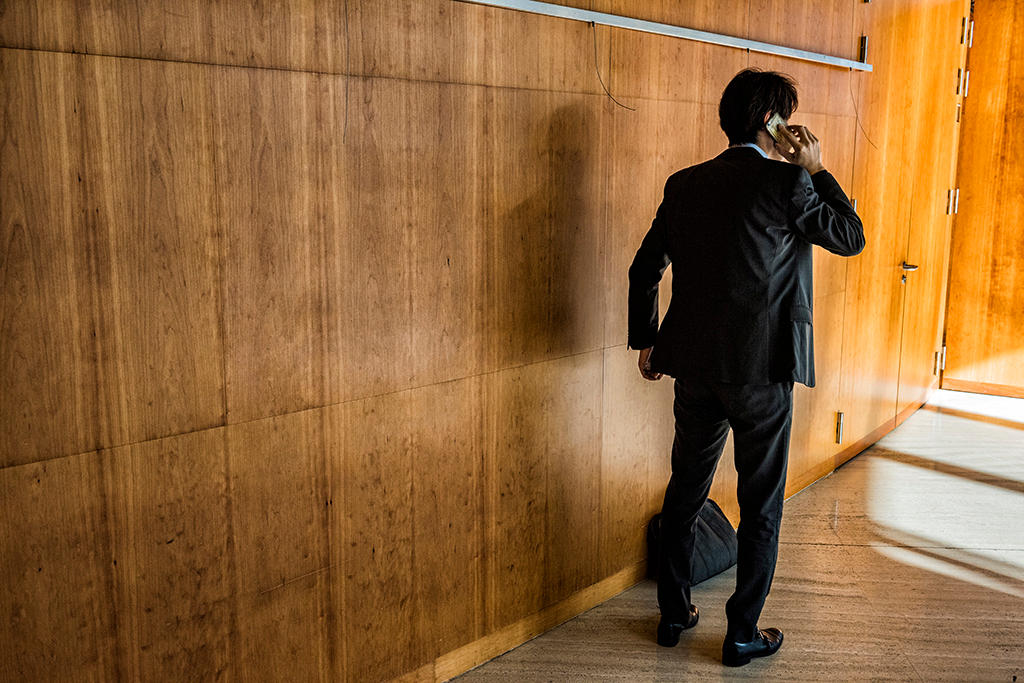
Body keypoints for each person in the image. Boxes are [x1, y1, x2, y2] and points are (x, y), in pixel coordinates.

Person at [627, 68, 865, 667]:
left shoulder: (684, 184)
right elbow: (850, 235)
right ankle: (741, 633)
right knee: (762, 503)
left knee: (687, 488)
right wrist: (815, 168)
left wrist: (647, 340)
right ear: (774, 123)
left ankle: (674, 613)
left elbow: (644, 269)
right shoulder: (789, 184)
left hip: (696, 372)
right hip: (762, 374)